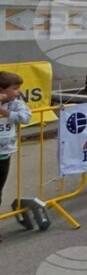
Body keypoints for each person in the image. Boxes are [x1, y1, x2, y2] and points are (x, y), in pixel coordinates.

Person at [0, 72, 32, 230]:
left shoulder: (16, 104)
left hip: (3, 155)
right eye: (15, 88)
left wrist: (3, 111)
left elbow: (26, 118)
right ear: (1, 90)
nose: (18, 92)